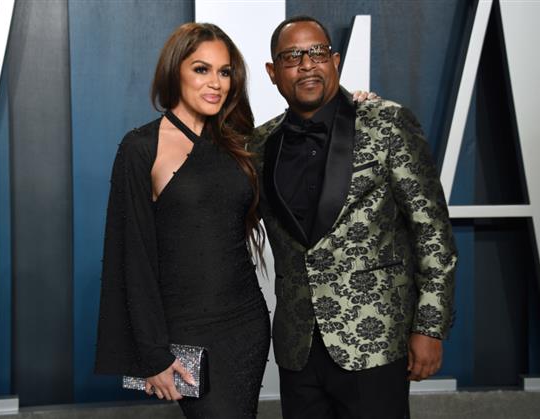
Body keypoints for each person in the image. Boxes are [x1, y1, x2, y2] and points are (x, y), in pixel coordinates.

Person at [249, 16, 458, 419]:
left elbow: (432, 232)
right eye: (292, 56)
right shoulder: (258, 145)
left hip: (375, 340)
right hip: (297, 348)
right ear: (273, 73)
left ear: (335, 61)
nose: (307, 64)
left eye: (318, 53)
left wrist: (429, 327)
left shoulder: (387, 124)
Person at [94, 23, 270, 418]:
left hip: (246, 323)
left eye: (225, 72)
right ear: (176, 71)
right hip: (184, 330)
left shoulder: (241, 142)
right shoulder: (142, 147)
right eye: (201, 69)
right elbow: (132, 256)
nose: (216, 83)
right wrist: (152, 353)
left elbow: (297, 140)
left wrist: (353, 106)